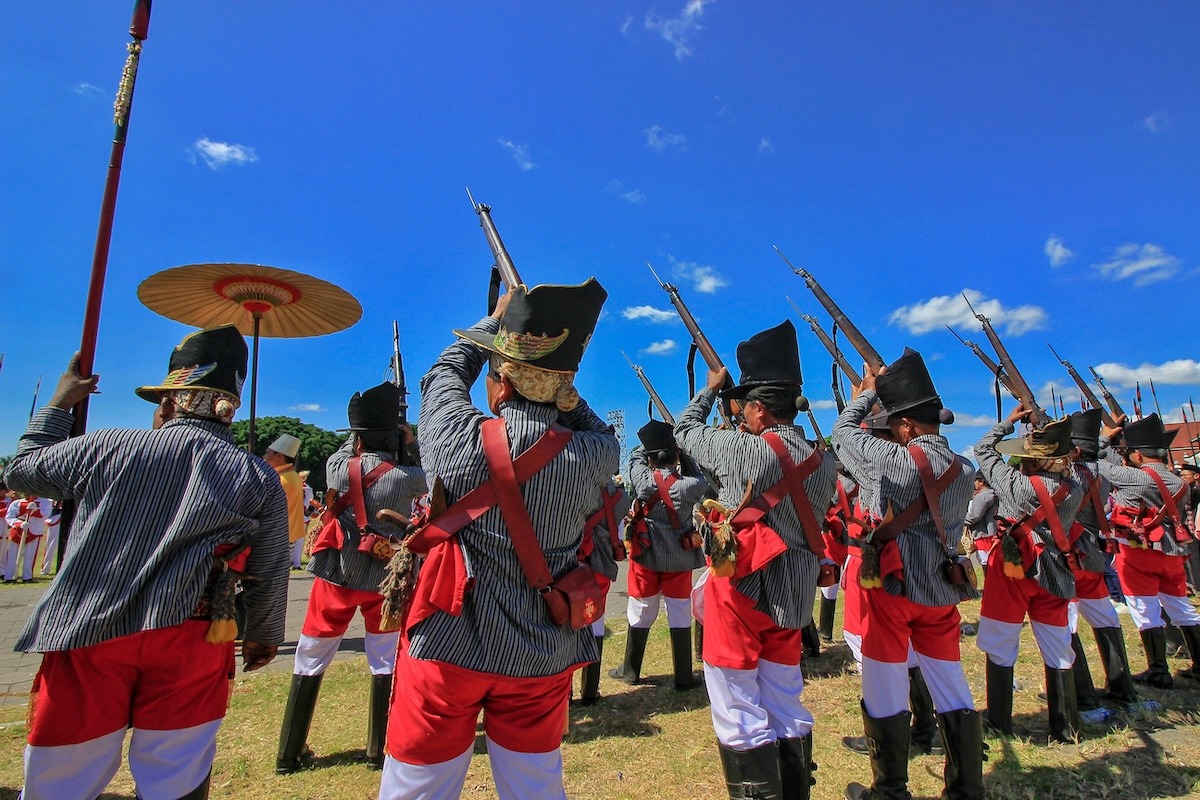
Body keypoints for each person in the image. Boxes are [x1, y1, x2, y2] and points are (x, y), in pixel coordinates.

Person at [3, 325, 290, 800]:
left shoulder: (106, 445)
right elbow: (272, 566)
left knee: (63, 774)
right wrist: (262, 633)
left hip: (89, 632)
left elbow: (22, 470)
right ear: (229, 407)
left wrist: (59, 405)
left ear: (170, 401)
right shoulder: (257, 474)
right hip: (194, 635)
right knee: (174, 776)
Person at [379, 279, 617, 800]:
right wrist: (566, 395)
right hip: (542, 648)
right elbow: (603, 433)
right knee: (535, 786)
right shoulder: (596, 453)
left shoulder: (459, 438)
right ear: (563, 385)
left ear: (500, 382)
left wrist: (494, 321)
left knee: (418, 786)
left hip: (450, 644)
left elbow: (441, 375)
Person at [676, 320, 835, 800]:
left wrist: (709, 391)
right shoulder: (823, 459)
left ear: (760, 409)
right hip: (793, 597)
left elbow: (684, 431)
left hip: (739, 594)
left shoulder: (743, 449)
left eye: (743, 407)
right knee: (786, 700)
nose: (740, 415)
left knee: (736, 710)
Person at [832, 348, 982, 800]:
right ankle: (968, 787)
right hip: (940, 587)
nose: (895, 430)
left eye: (897, 423)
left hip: (893, 588)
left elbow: (841, 434)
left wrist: (867, 395)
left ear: (909, 426)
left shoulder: (892, 461)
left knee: (883, 680)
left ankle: (891, 789)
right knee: (951, 681)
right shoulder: (965, 468)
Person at [277, 383, 428, 774]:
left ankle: (287, 755)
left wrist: (365, 431)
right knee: (383, 662)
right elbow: (432, 477)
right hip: (383, 581)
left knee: (310, 657)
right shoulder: (407, 476)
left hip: (336, 575)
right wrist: (409, 444)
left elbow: (350, 448)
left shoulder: (335, 466)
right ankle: (378, 750)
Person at [974, 409, 1084, 742]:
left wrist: (1009, 421)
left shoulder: (1014, 483)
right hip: (1056, 570)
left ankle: (999, 722)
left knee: (1000, 643)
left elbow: (983, 449)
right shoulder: (1074, 488)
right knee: (1058, 647)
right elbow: (1076, 463)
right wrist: (1050, 428)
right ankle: (1066, 728)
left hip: (1014, 570)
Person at [1098, 413, 1200, 687]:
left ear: (1139, 456)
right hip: (1171, 552)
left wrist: (1105, 438)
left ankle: (1158, 669)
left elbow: (1092, 459)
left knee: (1145, 611)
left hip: (1137, 553)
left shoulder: (1134, 478)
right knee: (1182, 608)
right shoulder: (1179, 482)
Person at [611, 420, 709, 690]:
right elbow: (700, 477)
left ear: (651, 457)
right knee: (679, 611)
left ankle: (630, 670)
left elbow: (634, 459)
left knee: (640, 609)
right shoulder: (690, 485)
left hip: (647, 552)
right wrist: (683, 453)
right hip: (679, 555)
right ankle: (683, 676)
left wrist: (650, 448)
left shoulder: (643, 480)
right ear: (675, 456)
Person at [1066, 409, 1149, 712]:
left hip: (1069, 556)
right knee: (1105, 618)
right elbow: (1098, 451)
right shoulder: (1101, 471)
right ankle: (1122, 687)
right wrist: (1107, 437)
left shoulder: (1067, 473)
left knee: (1066, 624)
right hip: (1094, 554)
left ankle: (1083, 698)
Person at [575, 477, 631, 705]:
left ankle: (563, 693)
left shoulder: (574, 485)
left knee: (567, 624)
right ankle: (590, 691)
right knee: (596, 622)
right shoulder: (621, 496)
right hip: (602, 564)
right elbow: (617, 530)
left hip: (573, 563)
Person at [263, 434, 307, 571]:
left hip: (274, 537)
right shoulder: (294, 477)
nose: (264, 457)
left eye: (267, 453)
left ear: (279, 456)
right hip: (289, 535)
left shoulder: (280, 480)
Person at [3, 494, 51, 583]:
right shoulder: (16, 503)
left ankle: (27, 577)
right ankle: (9, 576)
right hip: (17, 532)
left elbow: (46, 515)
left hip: (34, 531)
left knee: (30, 555)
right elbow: (9, 517)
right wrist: (18, 523)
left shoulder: (45, 502)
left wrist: (36, 510)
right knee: (12, 555)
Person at [963, 472, 998, 568]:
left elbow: (973, 517)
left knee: (986, 564)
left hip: (983, 535)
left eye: (975, 481)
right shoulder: (994, 493)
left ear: (981, 482)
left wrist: (960, 518)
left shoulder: (981, 497)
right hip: (992, 533)